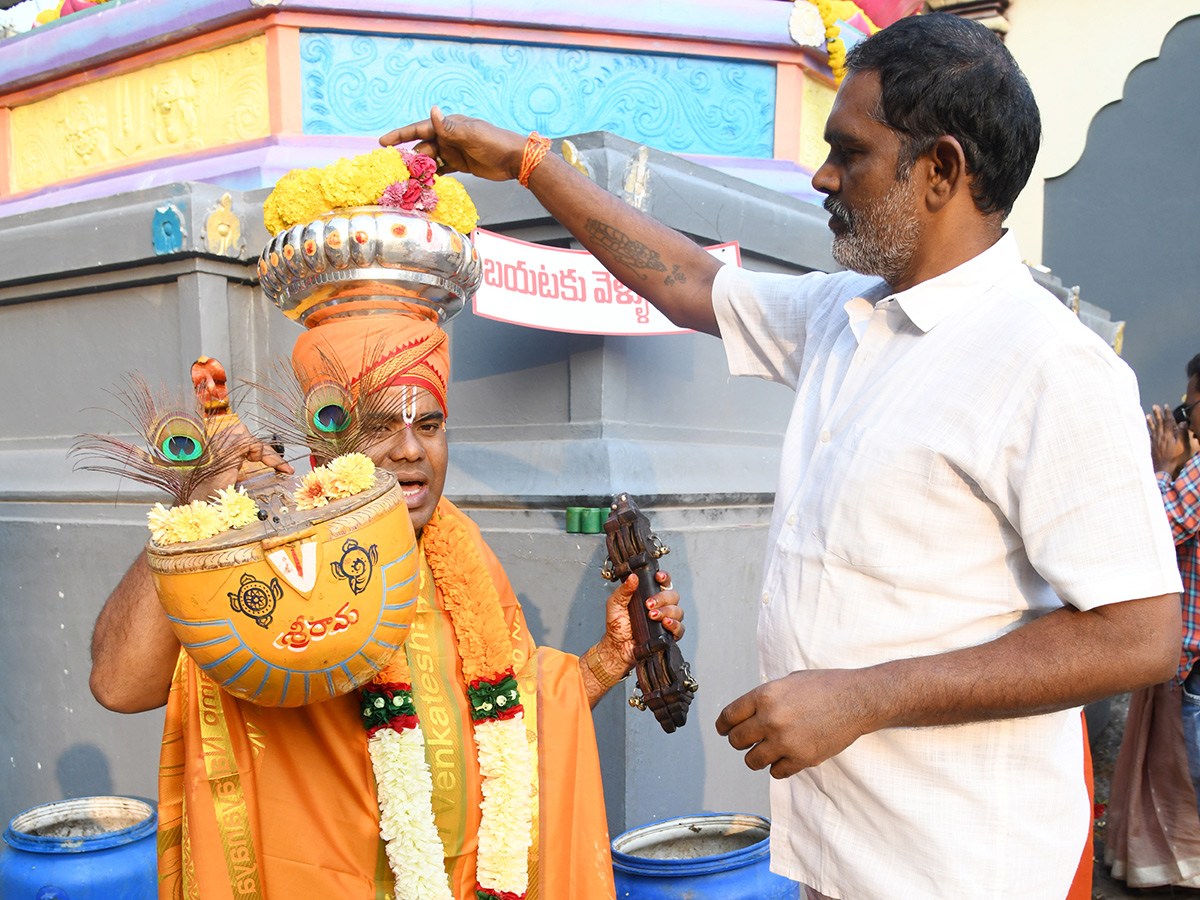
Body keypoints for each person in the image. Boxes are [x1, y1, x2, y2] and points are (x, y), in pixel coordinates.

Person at [381, 13, 1183, 900]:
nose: (823, 176)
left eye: (852, 151)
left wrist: (864, 697)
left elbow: (1139, 637)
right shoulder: (848, 314)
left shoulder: (1052, 366)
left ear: (942, 171)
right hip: (837, 851)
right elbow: (685, 279)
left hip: (964, 865)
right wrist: (529, 164)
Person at [88, 311, 685, 899]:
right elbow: (119, 685)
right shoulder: (270, 552)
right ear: (326, 443)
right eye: (379, 426)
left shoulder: (462, 548)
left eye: (428, 425)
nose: (409, 451)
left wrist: (610, 657)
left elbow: (508, 708)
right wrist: (195, 519)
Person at [1105, 352, 1200, 888]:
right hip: (1184, 656)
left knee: (1173, 778)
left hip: (1190, 657)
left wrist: (1161, 469)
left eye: (1188, 410)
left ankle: (1177, 873)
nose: (1183, 421)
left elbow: (1155, 529)